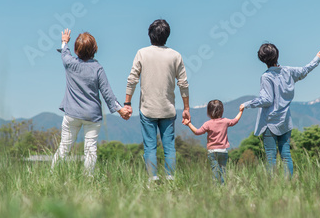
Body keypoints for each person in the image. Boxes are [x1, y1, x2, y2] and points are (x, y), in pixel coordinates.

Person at [241, 43, 320, 178]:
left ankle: (272, 187)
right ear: (277, 54)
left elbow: (267, 100)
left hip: (270, 122)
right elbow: (304, 70)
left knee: (271, 156)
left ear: (262, 59)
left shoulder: (266, 77)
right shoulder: (288, 71)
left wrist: (246, 104)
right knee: (286, 155)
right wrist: (317, 58)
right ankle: (289, 184)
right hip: (285, 120)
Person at [51, 29, 132, 175]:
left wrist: (64, 40)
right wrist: (120, 110)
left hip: (72, 114)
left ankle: (53, 175)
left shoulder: (69, 63)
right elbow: (107, 93)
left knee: (64, 147)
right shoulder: (97, 69)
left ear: (76, 50)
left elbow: (64, 52)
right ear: (95, 50)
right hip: (92, 116)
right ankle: (88, 179)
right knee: (90, 150)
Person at [125, 19, 190, 181]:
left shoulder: (142, 53)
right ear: (167, 36)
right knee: (169, 147)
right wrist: (186, 108)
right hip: (168, 109)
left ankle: (152, 180)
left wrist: (127, 102)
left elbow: (132, 79)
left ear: (150, 35)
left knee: (150, 147)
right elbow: (183, 83)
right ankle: (170, 179)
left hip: (147, 109)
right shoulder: (175, 56)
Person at [185, 100, 243, 184]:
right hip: (223, 151)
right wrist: (240, 111)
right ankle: (223, 187)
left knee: (215, 171)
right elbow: (235, 120)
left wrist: (189, 124)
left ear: (208, 112)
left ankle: (216, 188)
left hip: (212, 152)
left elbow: (197, 132)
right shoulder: (225, 121)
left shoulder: (207, 124)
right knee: (223, 171)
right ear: (222, 111)